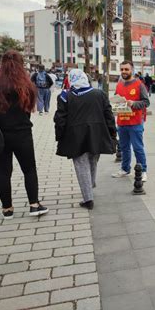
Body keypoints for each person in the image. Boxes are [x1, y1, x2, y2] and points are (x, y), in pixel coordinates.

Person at [54, 69, 116, 209]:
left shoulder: (65, 96)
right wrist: (112, 133)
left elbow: (60, 119)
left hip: (76, 137)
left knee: (81, 165)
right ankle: (90, 185)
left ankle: (88, 199)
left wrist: (59, 136)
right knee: (93, 160)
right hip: (97, 135)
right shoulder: (100, 94)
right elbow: (109, 116)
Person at [0, 50, 48, 219]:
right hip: (22, 133)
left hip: (1, 135)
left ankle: (7, 209)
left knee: (3, 171)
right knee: (29, 169)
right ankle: (34, 205)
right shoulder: (25, 85)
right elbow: (29, 109)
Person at [111, 61, 150, 182]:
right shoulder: (119, 85)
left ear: (132, 70)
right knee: (124, 148)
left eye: (126, 69)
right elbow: (116, 100)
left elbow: (146, 102)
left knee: (138, 148)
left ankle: (142, 170)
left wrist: (133, 103)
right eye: (122, 69)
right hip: (122, 122)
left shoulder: (139, 85)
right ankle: (125, 169)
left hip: (135, 123)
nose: (124, 72)